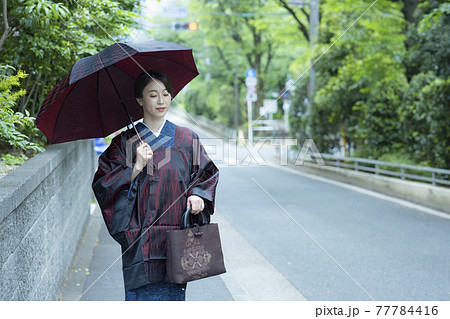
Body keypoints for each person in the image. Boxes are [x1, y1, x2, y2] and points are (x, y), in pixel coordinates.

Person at [92, 70, 219, 301]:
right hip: (140, 241)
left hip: (177, 237)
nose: (161, 101)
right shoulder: (124, 143)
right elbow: (103, 183)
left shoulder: (187, 138)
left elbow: (205, 173)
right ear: (140, 100)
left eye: (166, 94)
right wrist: (136, 167)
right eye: (153, 95)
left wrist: (197, 194)